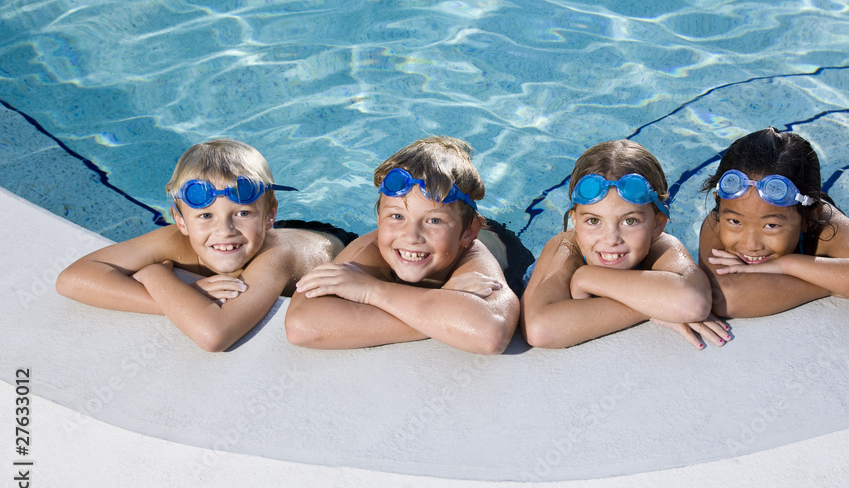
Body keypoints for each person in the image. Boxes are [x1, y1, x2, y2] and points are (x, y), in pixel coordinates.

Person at [56, 139, 345, 352]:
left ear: (270, 214)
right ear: (181, 221)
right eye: (206, 216)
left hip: (320, 243)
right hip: (257, 233)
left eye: (241, 212)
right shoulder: (176, 237)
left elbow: (215, 334)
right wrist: (184, 294)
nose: (224, 230)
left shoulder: (275, 257)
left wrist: (155, 275)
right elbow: (72, 279)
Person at [285, 136, 519, 355]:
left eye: (434, 220)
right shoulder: (367, 252)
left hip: (502, 246)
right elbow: (301, 325)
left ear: (469, 232)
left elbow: (490, 334)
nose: (411, 236)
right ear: (378, 219)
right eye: (397, 216)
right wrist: (443, 301)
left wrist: (372, 291)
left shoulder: (473, 257)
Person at [520, 139, 727, 349]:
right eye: (593, 221)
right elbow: (538, 329)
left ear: (657, 224)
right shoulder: (564, 248)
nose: (611, 239)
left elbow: (695, 303)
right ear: (575, 220)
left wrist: (589, 278)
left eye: (630, 221)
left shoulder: (662, 246)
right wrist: (657, 306)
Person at [699, 127, 849, 317]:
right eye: (736, 222)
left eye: (771, 225)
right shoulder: (717, 222)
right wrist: (839, 284)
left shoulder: (824, 226)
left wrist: (788, 265)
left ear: (810, 216)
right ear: (719, 202)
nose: (751, 244)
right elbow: (723, 297)